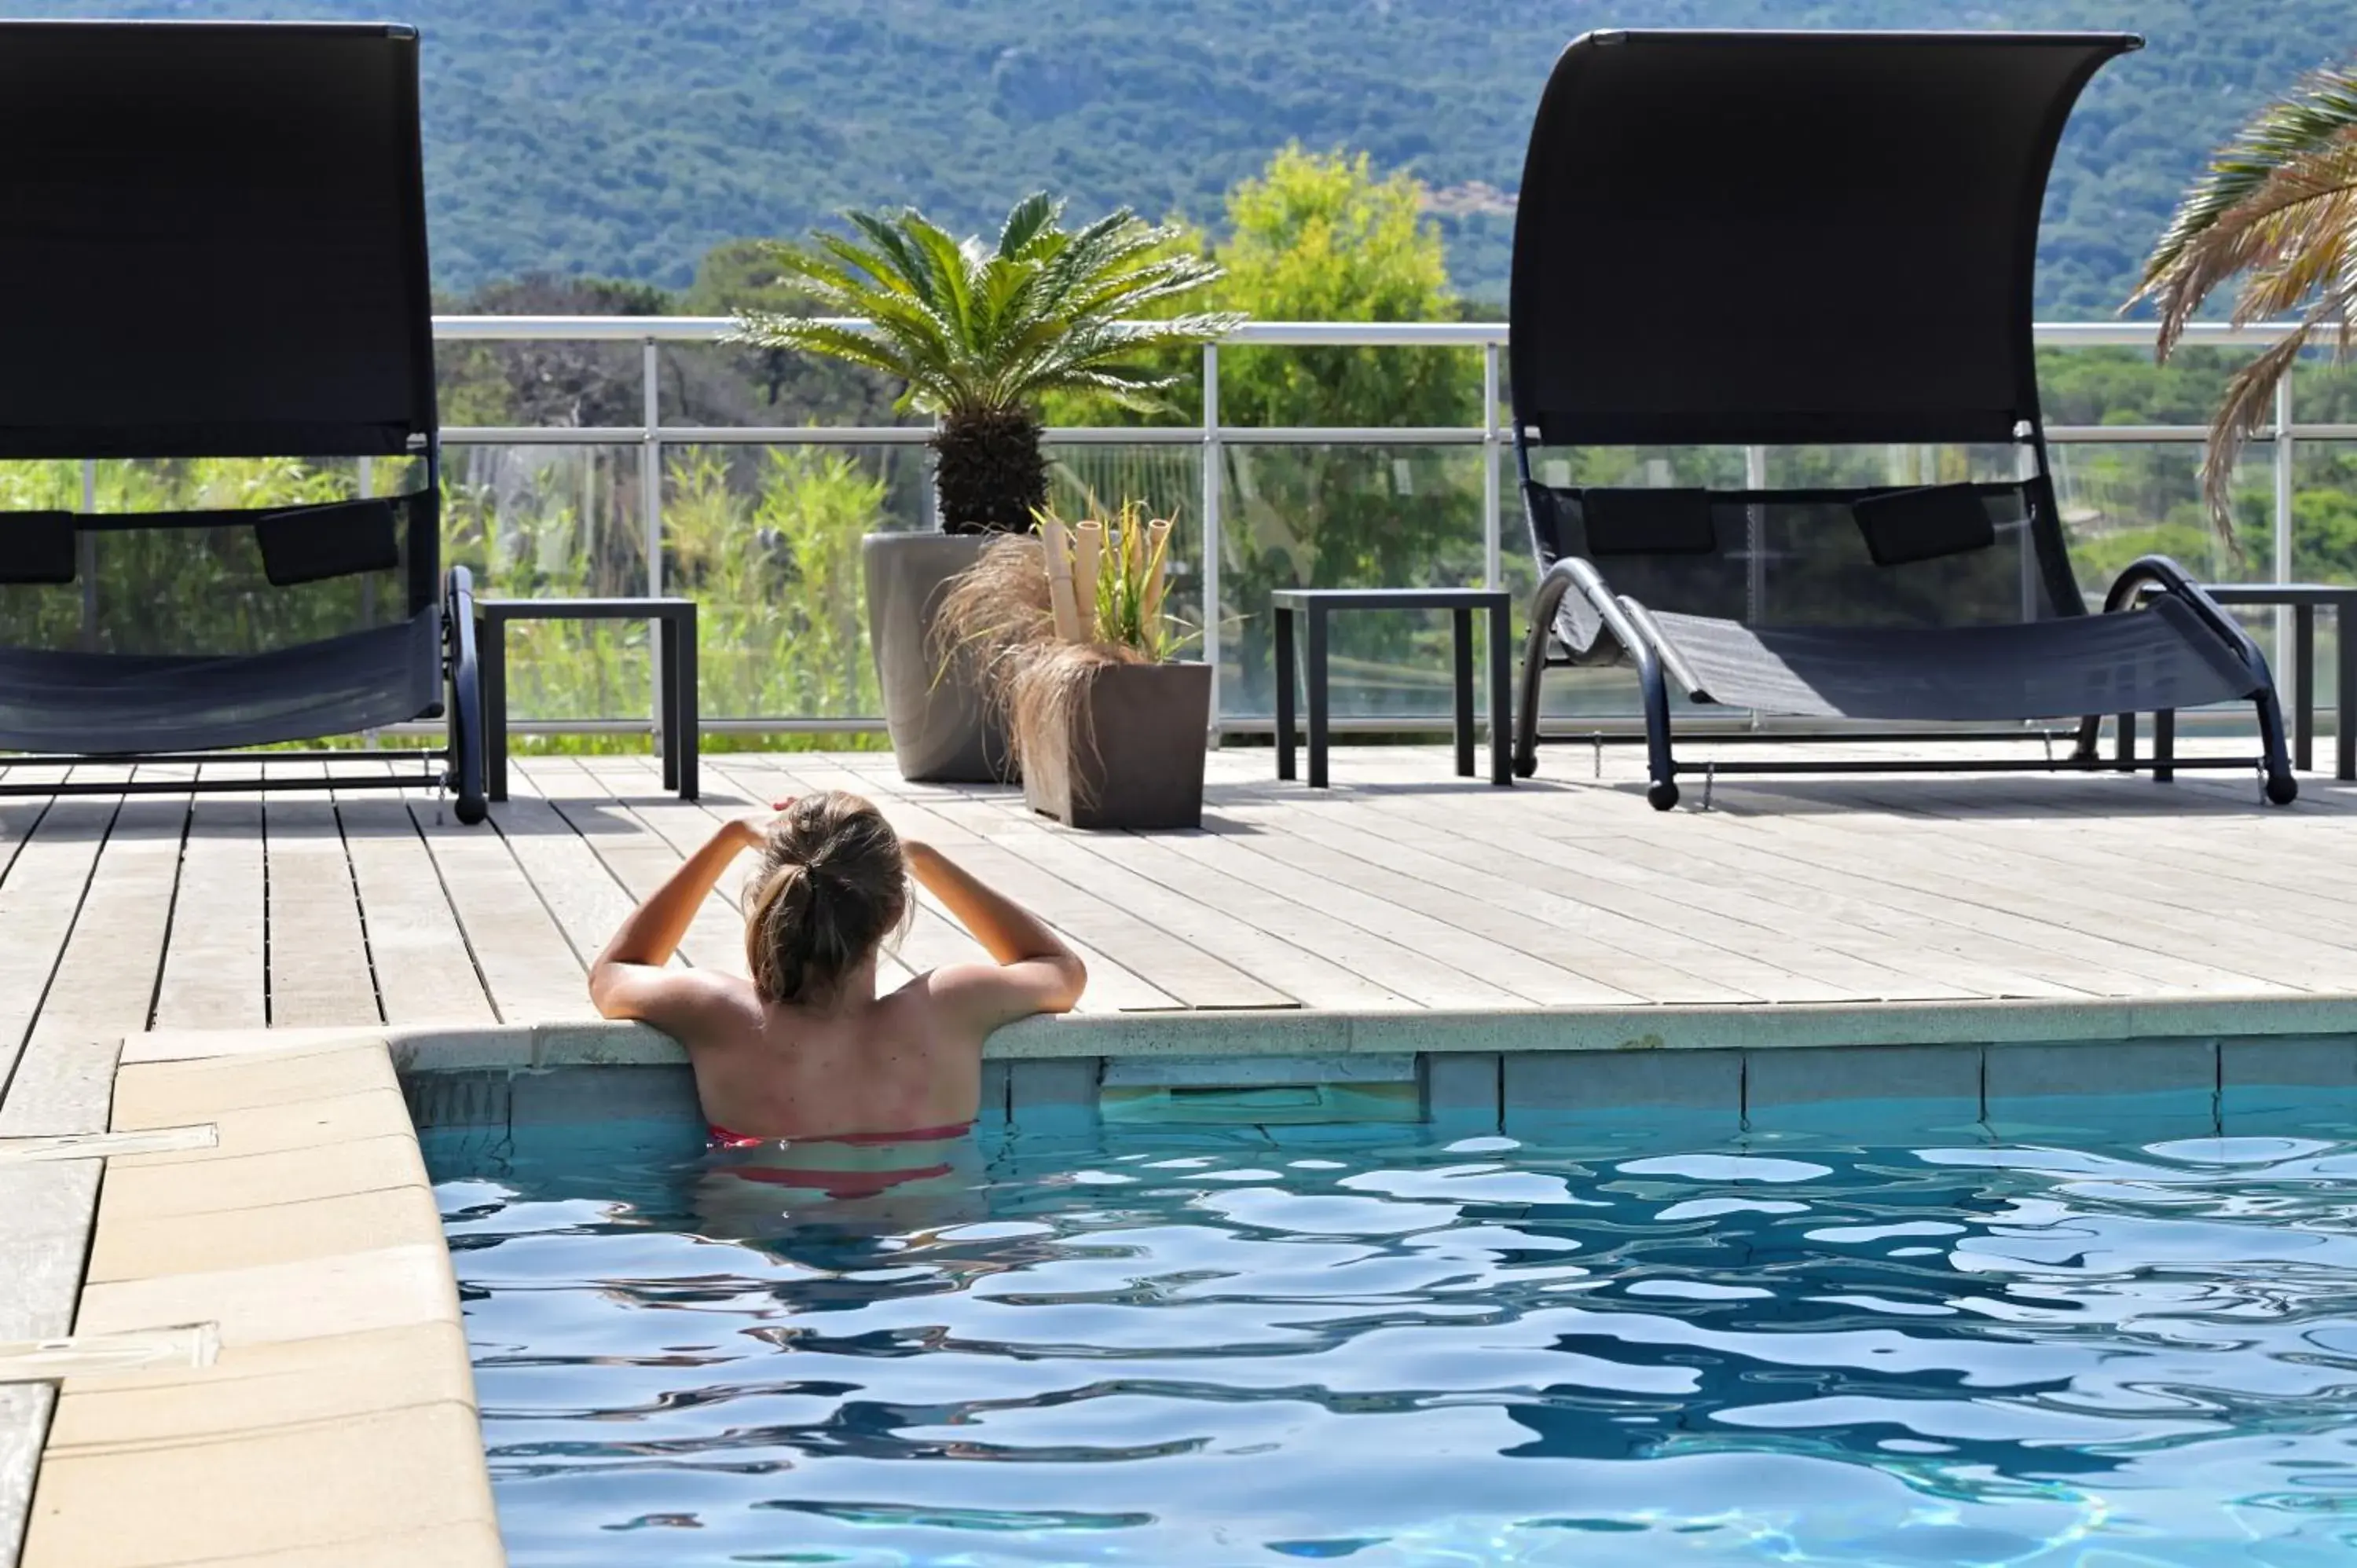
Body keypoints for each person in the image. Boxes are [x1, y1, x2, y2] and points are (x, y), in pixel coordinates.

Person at [586, 790, 1086, 1152]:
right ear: (893, 912)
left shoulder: (719, 1012)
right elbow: (1060, 969)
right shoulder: (954, 1005)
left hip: (759, 1256)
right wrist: (919, 856)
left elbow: (614, 973)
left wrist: (729, 838)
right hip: (915, 1261)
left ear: (771, 899)